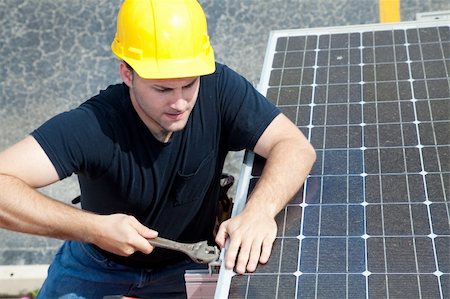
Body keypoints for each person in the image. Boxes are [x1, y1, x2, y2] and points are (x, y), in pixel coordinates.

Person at [0, 0, 316, 298]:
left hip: (189, 261)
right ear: (127, 73)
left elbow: (294, 146)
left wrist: (259, 213)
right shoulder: (93, 125)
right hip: (96, 263)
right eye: (162, 89)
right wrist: (94, 229)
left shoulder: (218, 87)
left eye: (189, 84)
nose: (180, 102)